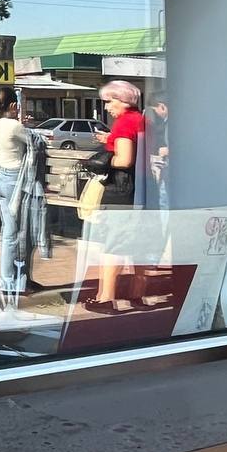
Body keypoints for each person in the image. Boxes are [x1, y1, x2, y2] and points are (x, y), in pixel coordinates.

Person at [84, 80, 146, 314]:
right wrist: (110, 139)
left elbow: (125, 159)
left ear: (123, 101)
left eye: (110, 102)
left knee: (113, 244)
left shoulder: (124, 123)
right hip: (138, 187)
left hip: (120, 187)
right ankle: (137, 295)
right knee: (138, 245)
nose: (107, 107)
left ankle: (106, 298)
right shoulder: (140, 119)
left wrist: (103, 160)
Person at [0, 100, 49, 297]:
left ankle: (17, 280)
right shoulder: (14, 126)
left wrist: (25, 125)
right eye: (17, 105)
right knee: (17, 234)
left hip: (1, 178)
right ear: (11, 105)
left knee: (11, 233)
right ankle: (12, 282)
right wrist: (29, 128)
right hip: (15, 181)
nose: (19, 109)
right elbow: (37, 142)